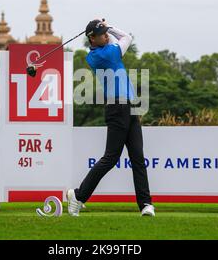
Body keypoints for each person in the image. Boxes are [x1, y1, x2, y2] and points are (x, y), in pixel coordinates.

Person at [66, 19, 155, 217]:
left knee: (138, 158)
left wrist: (103, 26)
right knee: (110, 158)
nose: (106, 36)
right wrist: (111, 26)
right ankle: (78, 196)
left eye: (106, 32)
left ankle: (146, 204)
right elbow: (127, 37)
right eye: (102, 34)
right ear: (92, 38)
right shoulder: (103, 55)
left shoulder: (104, 50)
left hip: (130, 107)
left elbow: (120, 38)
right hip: (117, 108)